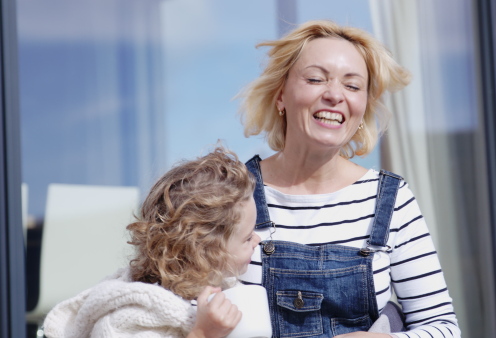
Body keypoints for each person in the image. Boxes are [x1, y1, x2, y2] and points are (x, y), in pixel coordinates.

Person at [238, 20, 461, 337]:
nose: (334, 95)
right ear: (280, 96)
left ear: (363, 108)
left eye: (353, 86)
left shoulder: (391, 200)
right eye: (315, 79)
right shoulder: (230, 195)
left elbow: (444, 328)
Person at [42, 146, 261, 338]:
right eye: (248, 237)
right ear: (207, 251)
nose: (257, 240)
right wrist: (203, 334)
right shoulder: (126, 321)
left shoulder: (227, 293)